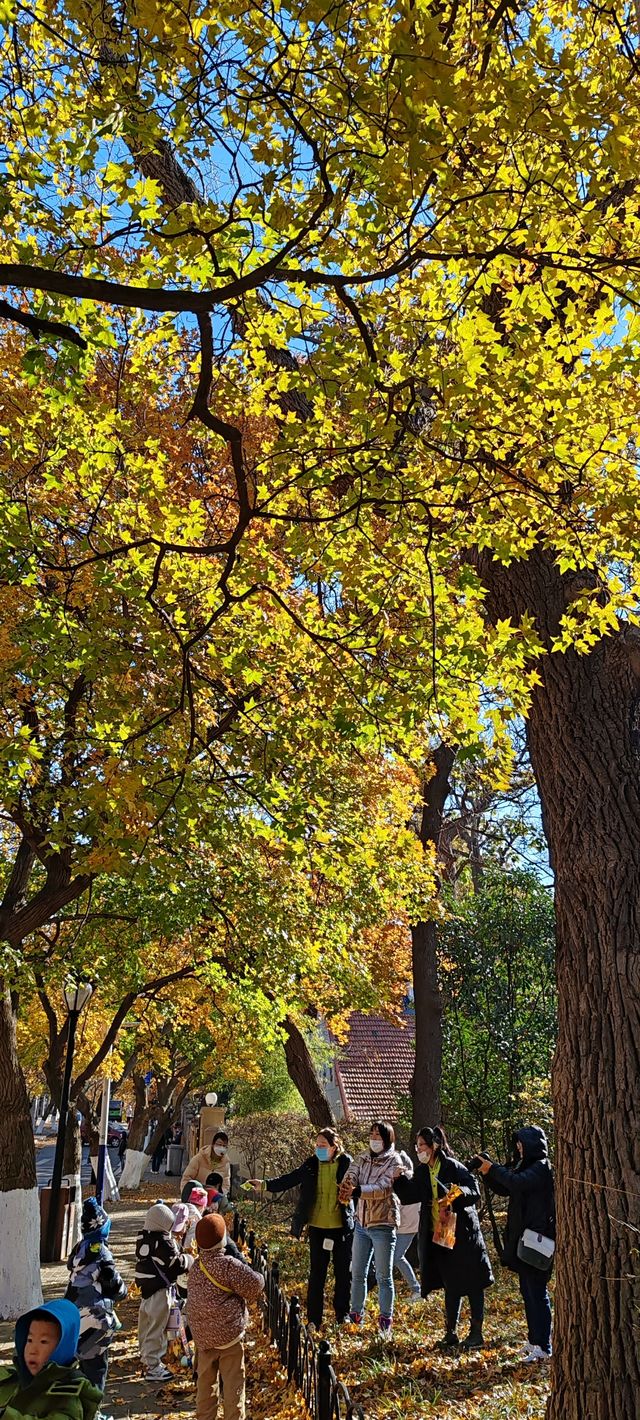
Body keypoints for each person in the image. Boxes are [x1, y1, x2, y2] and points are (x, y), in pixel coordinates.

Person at [395, 1126, 494, 1349]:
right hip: (439, 1233)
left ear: (434, 1146)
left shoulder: (453, 1166)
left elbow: (473, 1191)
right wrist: (398, 1180)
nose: (418, 1149)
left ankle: (476, 1332)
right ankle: (451, 1332)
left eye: (422, 1145)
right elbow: (410, 1195)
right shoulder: (422, 1171)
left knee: (473, 1282)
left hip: (463, 1233)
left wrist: (455, 1193)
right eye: (417, 1146)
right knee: (450, 1282)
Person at [249, 1127, 354, 1329]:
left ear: (334, 1147)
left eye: (323, 1145)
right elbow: (289, 1179)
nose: (319, 1149)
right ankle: (314, 1319)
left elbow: (357, 1185)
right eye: (317, 1145)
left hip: (341, 1228)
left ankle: (342, 1315)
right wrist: (263, 1185)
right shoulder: (310, 1165)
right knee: (317, 1274)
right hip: (317, 1227)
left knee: (343, 1274)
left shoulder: (346, 1163)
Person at [476, 1125, 555, 1361]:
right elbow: (506, 1187)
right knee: (528, 1291)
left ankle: (544, 1345)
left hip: (538, 1240)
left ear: (531, 1144)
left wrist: (494, 1169)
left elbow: (517, 1182)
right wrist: (487, 1172)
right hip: (523, 1239)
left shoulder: (541, 1167)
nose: (518, 1147)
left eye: (521, 1143)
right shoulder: (524, 1166)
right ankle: (534, 1341)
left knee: (537, 1292)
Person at [186, 1212, 265, 1420]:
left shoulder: (196, 1267)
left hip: (203, 1338)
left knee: (205, 1386)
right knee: (233, 1385)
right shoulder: (228, 1265)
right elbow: (255, 1285)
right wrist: (260, 1276)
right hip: (229, 1336)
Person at [339, 1120, 409, 1336]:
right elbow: (350, 1174)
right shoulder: (363, 1156)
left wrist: (358, 1191)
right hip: (361, 1224)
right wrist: (348, 1183)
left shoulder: (394, 1161)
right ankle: (355, 1316)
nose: (374, 1140)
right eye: (372, 1135)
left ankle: (385, 1321)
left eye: (378, 1136)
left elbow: (383, 1188)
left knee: (383, 1276)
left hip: (383, 1225)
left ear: (387, 1139)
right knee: (358, 1273)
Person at [0, 1299, 102, 1420]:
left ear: (62, 1347)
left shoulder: (68, 1396)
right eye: (29, 1340)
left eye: (43, 1342)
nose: (33, 1350)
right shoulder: (9, 1377)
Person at [65, 1197, 128, 1392]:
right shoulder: (102, 1253)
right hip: (96, 1318)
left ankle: (81, 1405)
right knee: (97, 1367)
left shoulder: (79, 1251)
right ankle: (93, 1409)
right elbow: (114, 1284)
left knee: (82, 1363)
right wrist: (122, 1290)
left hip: (75, 1313)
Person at [134, 1201, 190, 1381]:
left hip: (146, 1290)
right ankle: (153, 1367)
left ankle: (144, 1355)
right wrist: (189, 1259)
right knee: (157, 1329)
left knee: (146, 1325)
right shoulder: (164, 1242)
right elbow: (176, 1265)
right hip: (159, 1291)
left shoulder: (142, 1238)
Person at [393, 1150, 421, 1303]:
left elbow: (397, 1205)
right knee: (393, 1257)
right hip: (410, 1226)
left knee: (396, 1257)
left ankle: (417, 1290)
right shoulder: (415, 1179)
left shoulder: (402, 1182)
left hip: (404, 1227)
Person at [181, 1131, 231, 1195]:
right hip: (197, 1197)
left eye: (224, 1146)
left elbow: (226, 1185)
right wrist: (188, 1195)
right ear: (213, 1144)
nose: (221, 1147)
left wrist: (219, 1196)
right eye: (219, 1144)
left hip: (215, 1198)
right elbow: (187, 1178)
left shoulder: (226, 1164)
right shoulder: (199, 1158)